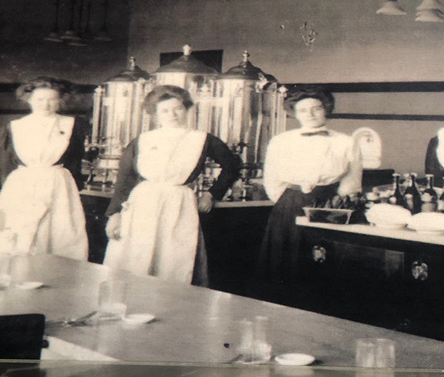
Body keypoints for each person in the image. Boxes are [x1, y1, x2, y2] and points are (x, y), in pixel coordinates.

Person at [103, 85, 240, 285]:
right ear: (155, 114)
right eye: (165, 110)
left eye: (178, 108)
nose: (172, 114)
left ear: (186, 109)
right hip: (143, 203)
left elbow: (231, 166)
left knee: (174, 258)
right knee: (135, 256)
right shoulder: (143, 140)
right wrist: (115, 215)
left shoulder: (201, 139)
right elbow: (125, 179)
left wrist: (212, 194)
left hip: (178, 202)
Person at [256, 86, 362, 284]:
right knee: (285, 262)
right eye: (303, 110)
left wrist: (337, 205)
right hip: (290, 203)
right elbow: (272, 179)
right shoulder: (281, 141)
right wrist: (291, 201)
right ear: (295, 113)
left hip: (329, 204)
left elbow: (352, 180)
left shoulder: (346, 141)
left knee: (321, 261)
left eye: (316, 108)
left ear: (326, 109)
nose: (310, 114)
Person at [0, 77, 89, 259]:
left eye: (52, 99)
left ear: (60, 100)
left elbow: (75, 159)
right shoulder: (14, 127)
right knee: (20, 233)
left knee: (59, 232)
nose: (45, 104)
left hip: (59, 184)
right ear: (29, 99)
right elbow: (5, 165)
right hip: (22, 184)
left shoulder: (72, 125)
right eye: (40, 99)